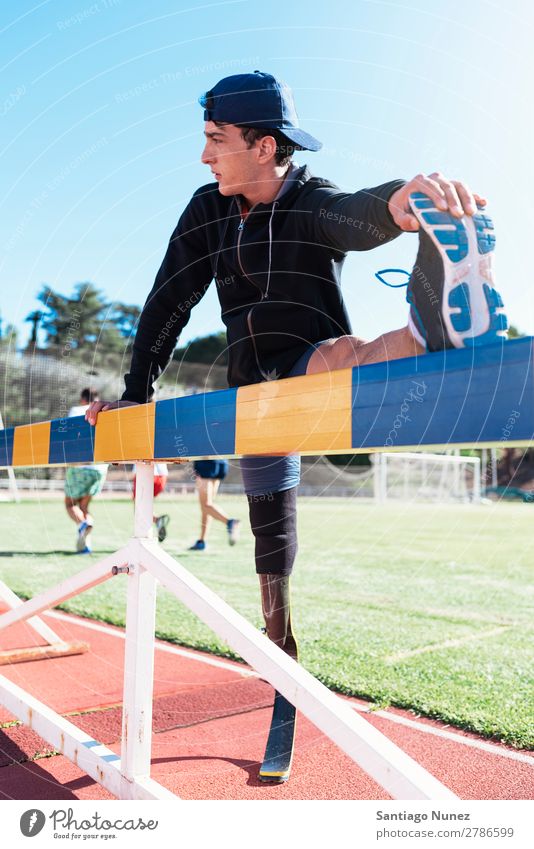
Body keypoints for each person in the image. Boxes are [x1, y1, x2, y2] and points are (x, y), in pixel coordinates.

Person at [86, 70, 507, 668]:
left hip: (313, 375)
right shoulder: (208, 209)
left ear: (263, 146)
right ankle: (279, 640)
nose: (204, 155)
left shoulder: (308, 198)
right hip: (253, 398)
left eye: (215, 139)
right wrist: (137, 392)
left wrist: (398, 201)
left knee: (340, 363)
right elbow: (168, 300)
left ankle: (432, 319)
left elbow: (349, 216)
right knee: (271, 527)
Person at [65, 389, 108, 553]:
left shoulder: (76, 410)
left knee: (70, 504)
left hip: (80, 465)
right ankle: (86, 545)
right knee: (84, 507)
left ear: (82, 399)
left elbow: (69, 436)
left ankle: (83, 524)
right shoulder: (105, 411)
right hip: (100, 468)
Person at [189, 459, 240, 550]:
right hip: (222, 462)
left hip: (205, 461)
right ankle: (202, 541)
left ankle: (230, 522)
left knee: (205, 505)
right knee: (207, 506)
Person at [132, 461, 170, 542]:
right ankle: (156, 521)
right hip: (162, 476)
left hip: (145, 471)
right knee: (142, 506)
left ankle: (143, 537)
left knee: (139, 508)